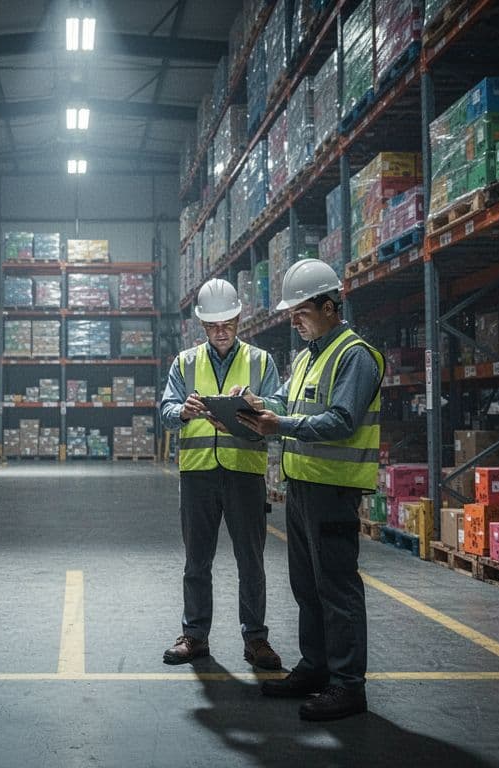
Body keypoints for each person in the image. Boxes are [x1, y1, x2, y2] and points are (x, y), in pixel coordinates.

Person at [235, 259, 383, 722]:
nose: (293, 321)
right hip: (300, 488)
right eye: (291, 314)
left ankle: (347, 685)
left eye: (300, 312)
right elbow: (289, 403)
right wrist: (260, 404)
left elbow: (341, 419)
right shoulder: (306, 356)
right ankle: (316, 667)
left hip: (334, 490)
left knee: (337, 589)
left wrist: (279, 424)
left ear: (329, 305)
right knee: (307, 587)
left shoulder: (355, 355)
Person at [159, 279, 283, 670]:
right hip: (197, 475)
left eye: (227, 323)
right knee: (197, 560)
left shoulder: (262, 361)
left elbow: (280, 405)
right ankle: (194, 636)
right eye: (213, 326)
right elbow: (165, 411)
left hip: (245, 473)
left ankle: (256, 639)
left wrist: (257, 403)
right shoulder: (185, 362)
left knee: (251, 560)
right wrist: (183, 410)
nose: (221, 331)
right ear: (202, 326)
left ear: (239, 317)